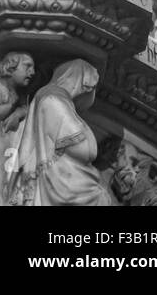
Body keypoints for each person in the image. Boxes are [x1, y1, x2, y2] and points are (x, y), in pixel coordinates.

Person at [7, 59, 115, 206]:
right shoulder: (53, 98)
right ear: (80, 82)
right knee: (99, 198)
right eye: (88, 89)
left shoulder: (56, 99)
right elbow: (80, 147)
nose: (87, 94)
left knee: (102, 198)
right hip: (56, 178)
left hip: (64, 174)